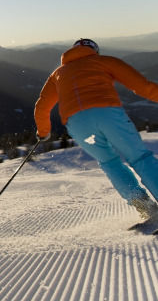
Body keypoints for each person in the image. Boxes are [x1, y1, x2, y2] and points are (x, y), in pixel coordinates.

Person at [35, 38, 158, 224]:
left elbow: (42, 106)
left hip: (77, 124)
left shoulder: (57, 74)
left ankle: (145, 207)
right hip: (108, 114)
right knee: (138, 157)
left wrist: (43, 132)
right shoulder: (104, 61)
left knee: (109, 162)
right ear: (95, 50)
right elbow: (142, 87)